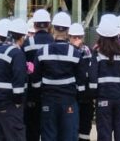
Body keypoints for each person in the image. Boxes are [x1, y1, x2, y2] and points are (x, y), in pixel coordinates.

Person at [37, 11, 84, 141]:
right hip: (68, 100)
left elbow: (35, 81)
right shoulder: (75, 53)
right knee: (69, 136)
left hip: (48, 100)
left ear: (53, 28)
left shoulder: (42, 52)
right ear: (68, 30)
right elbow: (81, 82)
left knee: (48, 136)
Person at [89, 15, 120, 141]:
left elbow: (92, 78)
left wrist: (94, 95)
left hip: (103, 98)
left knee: (104, 132)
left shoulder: (97, 53)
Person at [0, 18, 31, 140]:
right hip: (10, 103)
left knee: (1, 137)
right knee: (16, 136)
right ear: (22, 37)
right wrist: (18, 102)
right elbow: (18, 80)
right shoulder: (17, 54)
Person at [25, 9, 54, 141]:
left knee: (32, 129)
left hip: (32, 93)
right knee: (50, 130)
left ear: (35, 24)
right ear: (48, 24)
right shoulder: (54, 42)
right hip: (52, 92)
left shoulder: (28, 43)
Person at [70, 24, 95, 141]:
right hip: (72, 95)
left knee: (84, 128)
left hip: (85, 96)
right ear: (69, 37)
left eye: (78, 37)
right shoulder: (68, 52)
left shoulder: (88, 51)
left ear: (83, 37)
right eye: (74, 37)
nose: (76, 40)